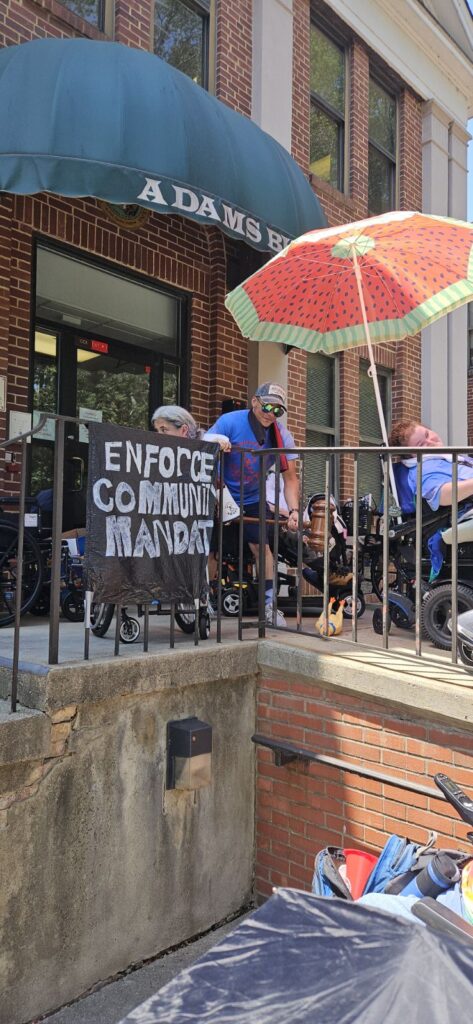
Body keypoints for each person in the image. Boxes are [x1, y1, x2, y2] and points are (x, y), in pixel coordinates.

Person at [208, 382, 300, 627]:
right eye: (267, 406)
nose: (271, 413)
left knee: (263, 548)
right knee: (211, 549)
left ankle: (269, 605)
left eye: (278, 410)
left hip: (252, 496)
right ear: (255, 401)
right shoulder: (231, 421)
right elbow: (203, 444)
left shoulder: (281, 435)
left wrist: (294, 511)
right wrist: (216, 441)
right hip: (220, 491)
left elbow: (290, 478)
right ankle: (203, 600)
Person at [388, 419, 473, 512]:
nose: (430, 441)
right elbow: (442, 494)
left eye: (427, 434)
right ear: (412, 455)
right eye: (421, 445)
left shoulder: (447, 457)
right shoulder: (421, 470)